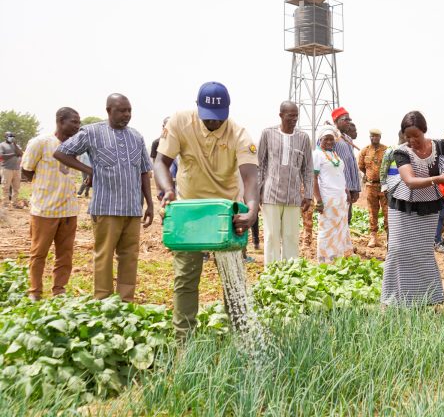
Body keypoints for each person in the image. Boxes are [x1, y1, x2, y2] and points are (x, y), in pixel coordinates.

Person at [154, 82, 259, 340]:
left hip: (225, 213)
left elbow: (250, 178)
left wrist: (253, 210)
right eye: (208, 119)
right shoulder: (180, 122)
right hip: (190, 211)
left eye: (218, 120)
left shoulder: (239, 134)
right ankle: (184, 341)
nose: (213, 124)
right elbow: (161, 162)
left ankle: (241, 338)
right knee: (186, 277)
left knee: (233, 279)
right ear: (197, 108)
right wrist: (167, 191)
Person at [54, 93, 153, 302]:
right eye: (121, 110)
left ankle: (126, 300)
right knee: (104, 256)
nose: (126, 115)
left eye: (129, 110)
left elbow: (144, 171)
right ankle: (103, 300)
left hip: (133, 208)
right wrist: (89, 170)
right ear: (109, 111)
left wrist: (150, 204)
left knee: (129, 256)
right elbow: (62, 152)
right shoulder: (92, 132)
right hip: (106, 207)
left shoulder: (136, 136)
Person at [381, 111, 444, 307]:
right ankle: (393, 299)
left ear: (424, 130)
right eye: (408, 136)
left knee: (422, 250)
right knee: (398, 249)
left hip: (429, 206)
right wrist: (437, 180)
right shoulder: (401, 152)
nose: (412, 140)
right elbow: (410, 181)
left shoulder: (439, 146)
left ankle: (427, 299)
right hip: (403, 205)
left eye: (416, 135)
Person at [20, 108, 81, 300]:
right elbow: (27, 171)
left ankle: (59, 290)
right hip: (44, 210)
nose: (77, 126)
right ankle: (35, 292)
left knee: (65, 254)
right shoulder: (40, 143)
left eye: (78, 122)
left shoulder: (75, 145)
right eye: (74, 122)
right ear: (60, 121)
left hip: (69, 210)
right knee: (39, 253)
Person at [256, 101, 313, 264]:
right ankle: (271, 273)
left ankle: (290, 274)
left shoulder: (303, 138)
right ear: (281, 115)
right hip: (270, 194)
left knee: (291, 237)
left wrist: (308, 195)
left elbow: (308, 168)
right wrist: (258, 190)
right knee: (271, 236)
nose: (294, 119)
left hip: (293, 196)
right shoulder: (268, 134)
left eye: (296, 116)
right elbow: (260, 164)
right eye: (290, 116)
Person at [314, 125, 353, 262]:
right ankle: (325, 259)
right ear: (320, 140)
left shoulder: (334, 154)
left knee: (341, 228)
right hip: (327, 198)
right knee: (327, 230)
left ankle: (338, 257)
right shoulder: (317, 155)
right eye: (326, 139)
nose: (330, 142)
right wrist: (318, 200)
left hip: (340, 197)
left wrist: (346, 190)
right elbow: (313, 178)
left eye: (332, 139)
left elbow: (339, 174)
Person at [358, 128, 388, 247]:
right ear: (369, 137)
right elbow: (361, 167)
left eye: (377, 136)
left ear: (380, 137)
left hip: (384, 186)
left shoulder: (386, 150)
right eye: (372, 136)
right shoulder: (365, 151)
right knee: (372, 212)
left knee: (387, 212)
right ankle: (373, 237)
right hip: (371, 186)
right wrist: (369, 175)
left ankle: (389, 238)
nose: (374, 138)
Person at [331, 107, 362, 223]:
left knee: (347, 218)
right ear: (336, 121)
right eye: (345, 119)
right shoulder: (330, 137)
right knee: (337, 219)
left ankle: (343, 241)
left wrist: (355, 188)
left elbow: (352, 165)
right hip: (338, 188)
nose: (348, 122)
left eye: (349, 119)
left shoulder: (348, 138)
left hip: (350, 187)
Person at [0, 131, 24, 208]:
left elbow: (21, 154)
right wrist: (14, 154)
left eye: (13, 136)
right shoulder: (2, 145)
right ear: (6, 137)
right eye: (10, 136)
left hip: (17, 169)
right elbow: (2, 156)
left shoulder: (16, 145)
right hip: (6, 169)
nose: (11, 137)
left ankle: (14, 203)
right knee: (5, 187)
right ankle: (5, 204)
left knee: (16, 188)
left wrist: (15, 145)